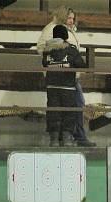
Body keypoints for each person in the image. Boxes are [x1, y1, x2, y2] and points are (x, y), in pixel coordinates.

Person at [37, 6, 95, 146]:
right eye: (69, 18)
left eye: (73, 18)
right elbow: (41, 47)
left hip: (59, 78)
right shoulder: (53, 29)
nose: (71, 21)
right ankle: (74, 137)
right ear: (63, 17)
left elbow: (45, 55)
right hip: (66, 78)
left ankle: (60, 138)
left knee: (61, 108)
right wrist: (64, 60)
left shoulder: (63, 30)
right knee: (74, 106)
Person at [42, 25, 86, 147]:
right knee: (68, 112)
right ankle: (67, 139)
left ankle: (54, 139)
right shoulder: (71, 50)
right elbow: (81, 65)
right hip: (68, 87)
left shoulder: (47, 50)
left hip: (51, 87)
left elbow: (44, 63)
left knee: (53, 112)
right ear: (65, 36)